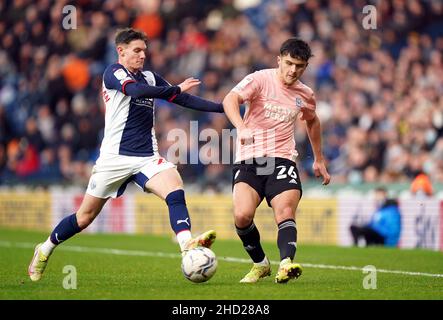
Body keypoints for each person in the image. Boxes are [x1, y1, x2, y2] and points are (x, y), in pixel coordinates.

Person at [28, 28, 224, 281]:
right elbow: (136, 92)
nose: (142, 55)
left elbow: (182, 99)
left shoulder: (151, 77)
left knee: (174, 189)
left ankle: (186, 245)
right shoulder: (113, 72)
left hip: (146, 157)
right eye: (137, 50)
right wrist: (174, 89)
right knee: (84, 217)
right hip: (114, 159)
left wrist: (222, 108)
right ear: (121, 51)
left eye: (144, 51)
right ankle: (45, 249)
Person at [222, 37, 331, 283]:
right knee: (242, 216)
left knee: (285, 211)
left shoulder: (305, 94)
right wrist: (241, 126)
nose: (293, 70)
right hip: (249, 158)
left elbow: (312, 120)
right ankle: (260, 264)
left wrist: (319, 159)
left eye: (299, 66)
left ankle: (286, 264)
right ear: (279, 60)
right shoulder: (260, 79)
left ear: (305, 67)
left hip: (282, 158)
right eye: (289, 63)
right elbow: (230, 99)